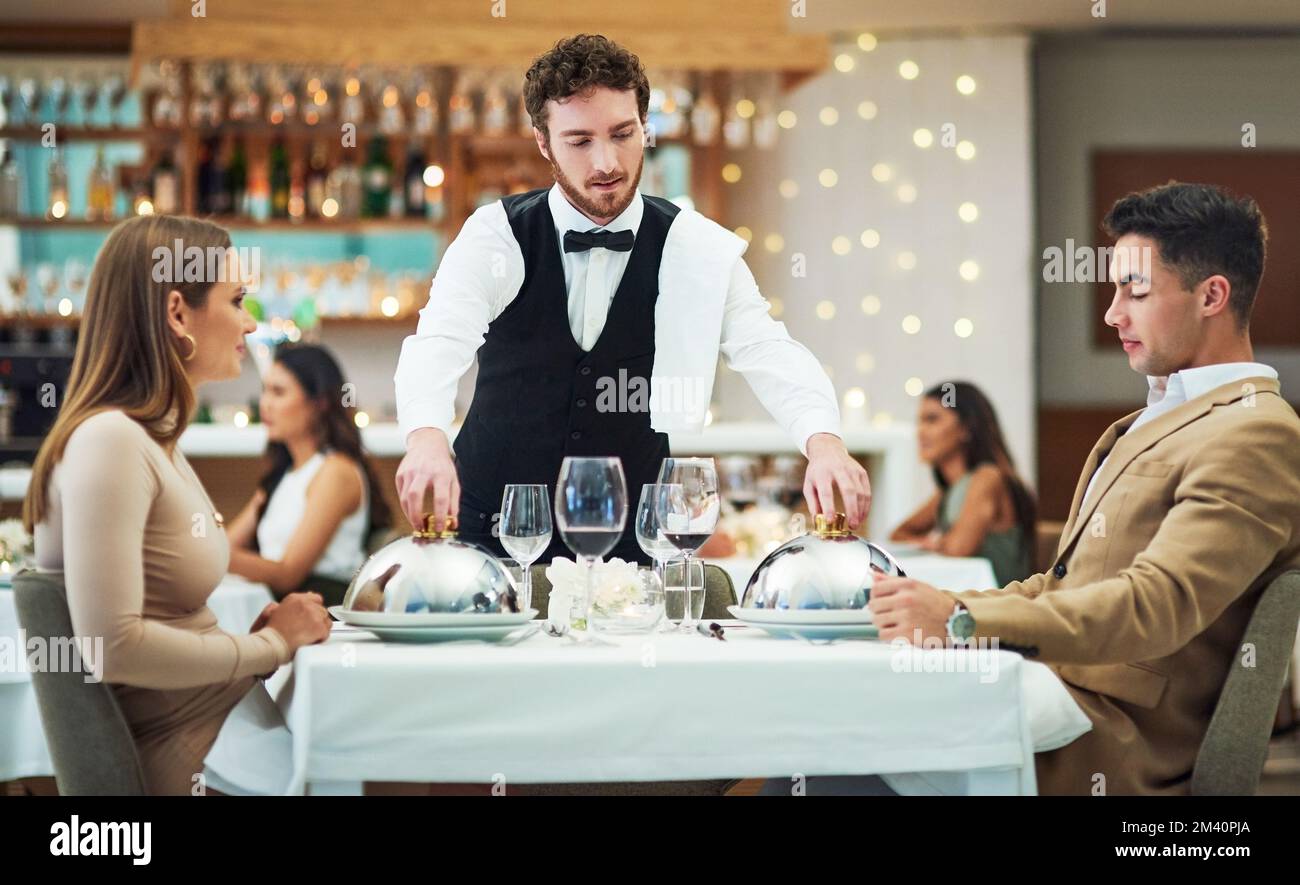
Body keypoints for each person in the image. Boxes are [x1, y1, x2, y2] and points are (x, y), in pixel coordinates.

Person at [870, 181, 1300, 794]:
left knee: (847, 747)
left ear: (1212, 295)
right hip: (1063, 694)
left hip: (1111, 740)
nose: (1113, 313)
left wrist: (963, 619)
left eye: (1136, 290)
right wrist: (928, 601)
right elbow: (1063, 583)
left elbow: (1156, 604)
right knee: (843, 727)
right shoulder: (1153, 419)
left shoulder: (1255, 432)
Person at [394, 34, 869, 564]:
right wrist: (426, 437)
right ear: (543, 141)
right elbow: (438, 341)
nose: (606, 163)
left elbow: (766, 349)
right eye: (579, 141)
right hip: (495, 531)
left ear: (646, 127)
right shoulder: (495, 236)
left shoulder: (696, 246)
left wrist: (824, 441)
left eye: (623, 134)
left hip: (634, 542)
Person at [22, 215, 331, 795]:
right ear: (177, 313)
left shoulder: (151, 439)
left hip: (220, 730)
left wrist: (256, 650)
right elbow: (110, 646)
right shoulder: (111, 441)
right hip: (195, 754)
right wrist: (268, 645)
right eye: (237, 300)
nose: (249, 320)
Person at [225, 343, 392, 605]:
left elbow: (288, 574)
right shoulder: (284, 474)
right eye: (264, 391)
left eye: (278, 392)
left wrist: (211, 554)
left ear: (319, 403)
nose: (265, 404)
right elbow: (227, 545)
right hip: (284, 607)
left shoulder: (336, 471)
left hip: (324, 614)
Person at [890, 381, 1036, 584]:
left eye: (932, 420)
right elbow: (898, 534)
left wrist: (935, 542)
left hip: (1000, 604)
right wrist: (935, 542)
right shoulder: (951, 490)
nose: (920, 432)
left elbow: (959, 548)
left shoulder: (987, 477)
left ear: (966, 428)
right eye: (919, 422)